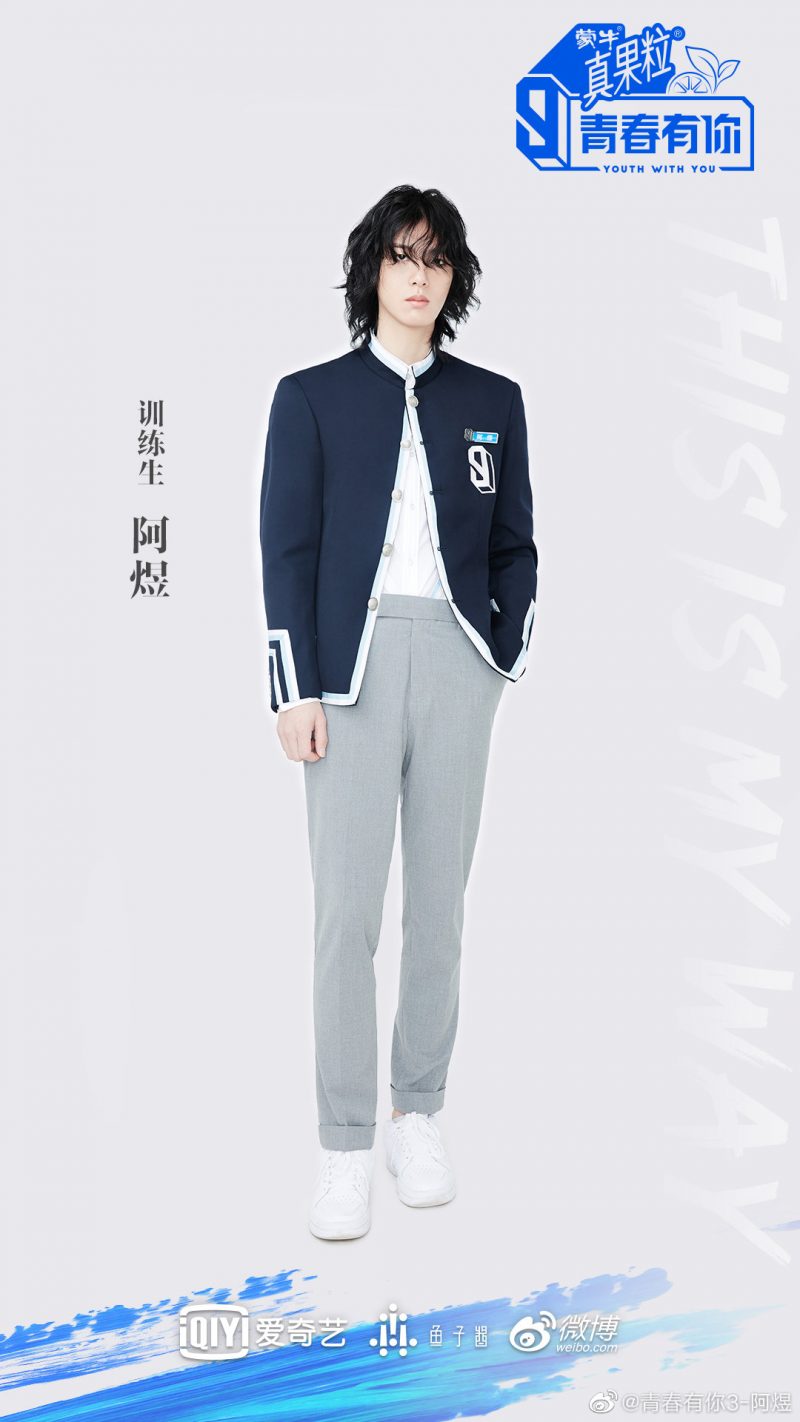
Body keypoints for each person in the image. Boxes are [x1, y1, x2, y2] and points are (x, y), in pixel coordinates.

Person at [259, 184, 538, 1240]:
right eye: (400, 256)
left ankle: (415, 1115)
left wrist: (499, 654)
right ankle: (342, 1144)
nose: (418, 276)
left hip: (458, 663)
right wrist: (294, 687)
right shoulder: (311, 397)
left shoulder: (494, 398)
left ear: (453, 278)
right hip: (350, 674)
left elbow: (515, 543)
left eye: (436, 259)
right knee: (346, 915)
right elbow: (285, 549)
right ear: (371, 270)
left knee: (440, 908)